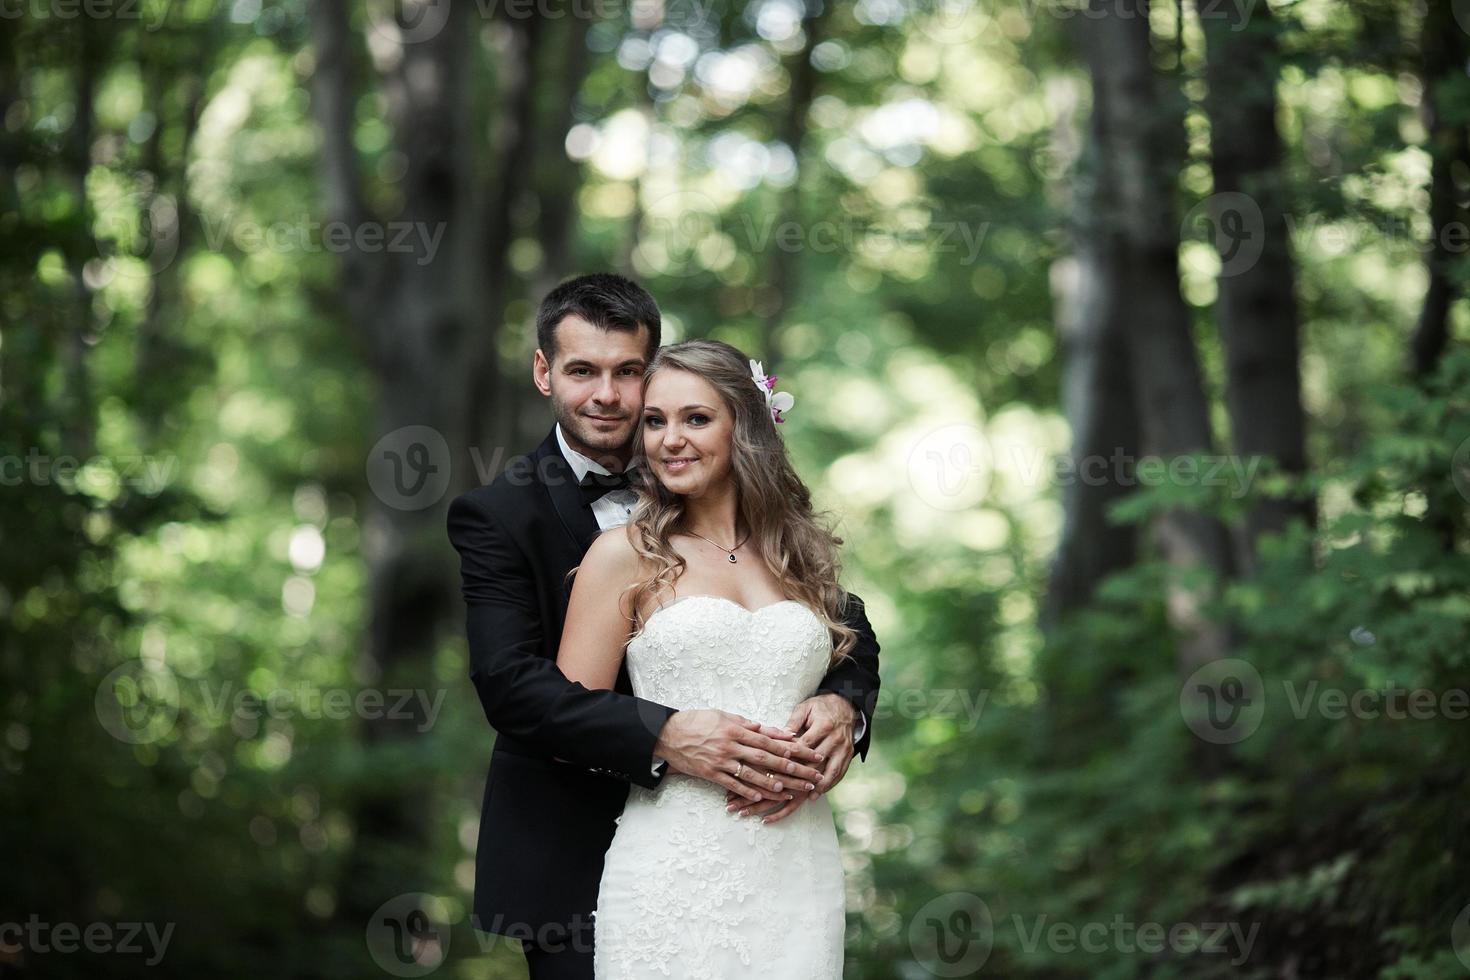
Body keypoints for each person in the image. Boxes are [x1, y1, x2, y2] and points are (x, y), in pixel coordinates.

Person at [445, 274, 881, 980]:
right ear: (543, 372)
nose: (608, 395)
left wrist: (845, 704)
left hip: (775, 848)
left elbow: (841, 623)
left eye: (628, 373)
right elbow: (511, 685)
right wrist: (665, 733)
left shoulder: (744, 511)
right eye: (582, 370)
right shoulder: (499, 513)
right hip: (579, 845)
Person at [556, 338, 877, 978]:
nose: (670, 439)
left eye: (695, 418)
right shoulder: (624, 554)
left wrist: (844, 706)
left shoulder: (799, 557)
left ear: (746, 427)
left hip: (798, 865)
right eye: (655, 420)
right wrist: (667, 736)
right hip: (673, 865)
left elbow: (854, 649)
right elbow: (567, 716)